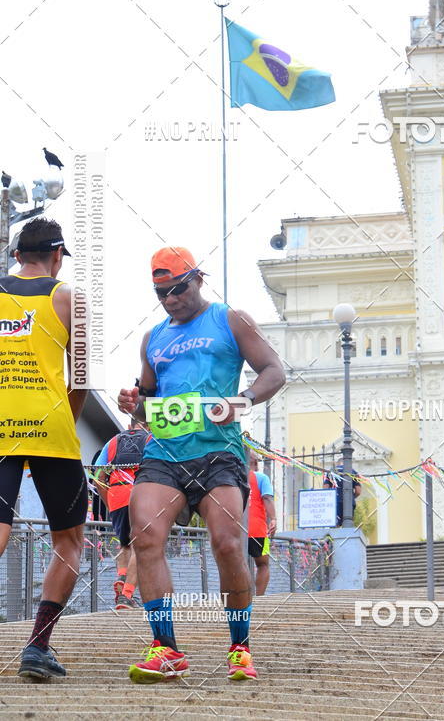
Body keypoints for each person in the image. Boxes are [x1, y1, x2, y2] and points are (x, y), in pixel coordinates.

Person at [118, 247, 285, 683]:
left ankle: (240, 647)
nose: (171, 300)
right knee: (146, 538)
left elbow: (273, 370)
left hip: (219, 453)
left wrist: (243, 400)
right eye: (161, 293)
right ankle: (166, 649)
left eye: (177, 289)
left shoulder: (231, 319)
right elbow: (147, 404)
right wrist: (134, 404)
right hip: (166, 453)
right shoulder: (152, 338)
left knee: (229, 543)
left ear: (198, 279)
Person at [0, 218, 88, 680]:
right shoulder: (70, 298)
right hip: (51, 426)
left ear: (17, 255)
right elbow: (81, 379)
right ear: (56, 256)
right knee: (69, 540)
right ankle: (36, 647)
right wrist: (61, 427)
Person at [94, 418, 149, 609]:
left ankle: (122, 577)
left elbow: (98, 476)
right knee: (140, 547)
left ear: (129, 425)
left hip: (116, 494)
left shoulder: (113, 442)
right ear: (150, 425)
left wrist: (109, 501)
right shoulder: (153, 440)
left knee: (125, 543)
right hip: (142, 493)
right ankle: (127, 595)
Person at [247, 454, 276, 596]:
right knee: (263, 564)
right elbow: (267, 498)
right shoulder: (261, 478)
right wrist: (274, 519)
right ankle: (258, 599)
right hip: (256, 529)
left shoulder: (233, 477)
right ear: (256, 464)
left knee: (236, 565)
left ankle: (237, 598)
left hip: (234, 529)